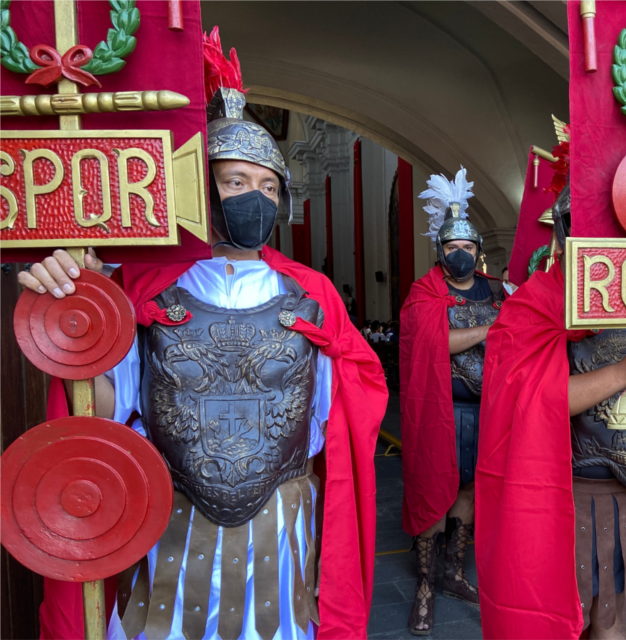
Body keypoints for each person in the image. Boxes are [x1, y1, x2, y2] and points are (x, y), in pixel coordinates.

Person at [23, 30, 388, 640]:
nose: (255, 197)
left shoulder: (312, 296)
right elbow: (107, 413)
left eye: (269, 186)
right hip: (168, 521)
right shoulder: (140, 289)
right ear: (201, 190)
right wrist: (75, 333)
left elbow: (340, 414)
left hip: (279, 519)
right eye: (236, 181)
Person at [475, 180, 626, 640]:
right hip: (567, 502)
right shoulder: (533, 306)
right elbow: (526, 405)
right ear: (563, 233)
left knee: (614, 627)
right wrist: (622, 373)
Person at [399, 168, 505, 635]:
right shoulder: (426, 292)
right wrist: (486, 330)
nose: (458, 254)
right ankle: (425, 584)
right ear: (440, 253)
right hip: (441, 411)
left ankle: (453, 571)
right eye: (450, 248)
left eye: (466, 248)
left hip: (488, 410)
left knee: (470, 492)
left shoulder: (498, 291)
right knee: (433, 495)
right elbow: (432, 342)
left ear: (478, 251)